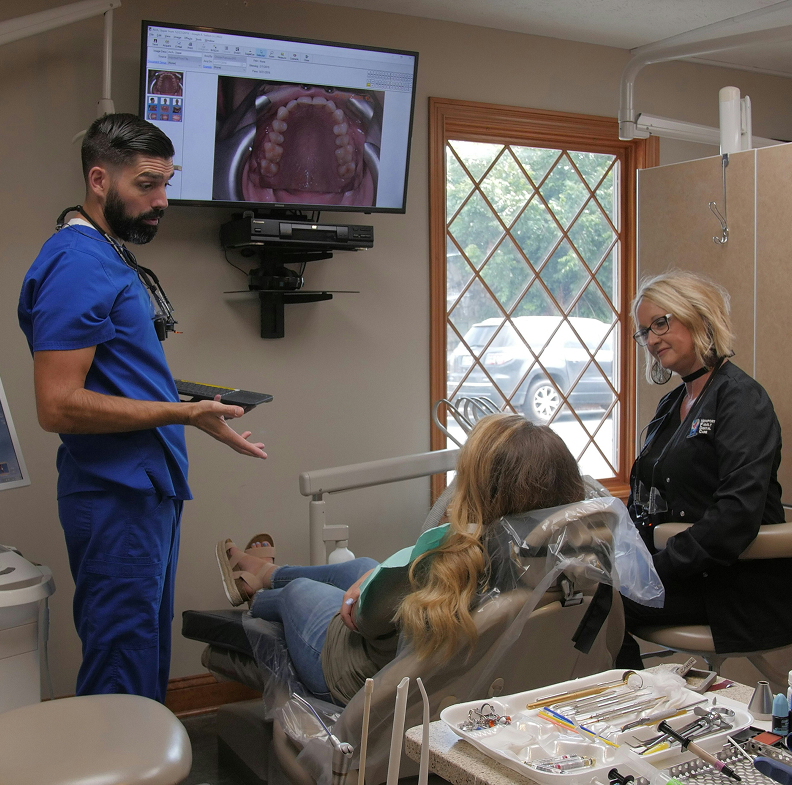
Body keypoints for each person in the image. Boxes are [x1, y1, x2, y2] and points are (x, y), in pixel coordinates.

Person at [18, 113, 267, 702]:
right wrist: (180, 415)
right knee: (121, 664)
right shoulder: (78, 262)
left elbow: (114, 373)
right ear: (99, 179)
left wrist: (195, 408)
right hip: (113, 495)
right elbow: (57, 405)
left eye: (167, 183)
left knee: (142, 656)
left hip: (143, 488)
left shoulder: (106, 252)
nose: (161, 200)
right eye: (147, 185)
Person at [217, 413, 587, 705]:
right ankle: (268, 572)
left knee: (300, 591)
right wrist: (374, 575)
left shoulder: (445, 560)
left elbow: (361, 620)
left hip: (359, 676)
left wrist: (368, 588)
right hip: (411, 652)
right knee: (359, 566)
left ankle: (259, 594)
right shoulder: (565, 564)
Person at [617, 270, 792, 668]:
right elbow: (649, 499)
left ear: (698, 316)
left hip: (734, 585)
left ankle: (630, 712)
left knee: (599, 607)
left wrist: (653, 571)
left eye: (662, 322)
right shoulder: (671, 405)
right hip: (684, 573)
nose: (653, 338)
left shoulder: (741, 400)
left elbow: (735, 517)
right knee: (581, 592)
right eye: (644, 331)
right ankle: (629, 707)